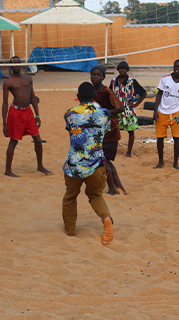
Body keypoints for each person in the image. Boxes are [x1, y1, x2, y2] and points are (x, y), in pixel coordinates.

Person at [62, 82, 114, 245]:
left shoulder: (69, 114)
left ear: (78, 97)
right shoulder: (104, 113)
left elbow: (70, 130)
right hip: (97, 164)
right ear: (95, 96)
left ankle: (69, 231)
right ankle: (106, 219)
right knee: (95, 195)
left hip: (74, 166)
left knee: (70, 197)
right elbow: (106, 130)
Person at [2, 56, 51, 177]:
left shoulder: (28, 78)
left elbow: (33, 97)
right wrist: (4, 123)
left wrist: (37, 114)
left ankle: (40, 166)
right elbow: (5, 103)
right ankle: (8, 170)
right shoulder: (8, 82)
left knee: (38, 139)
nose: (16, 64)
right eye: (14, 63)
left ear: (22, 64)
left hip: (28, 112)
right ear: (10, 66)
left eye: (18, 62)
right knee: (13, 141)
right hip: (15, 112)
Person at [90, 65, 127, 195]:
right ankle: (120, 187)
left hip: (109, 132)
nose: (95, 77)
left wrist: (103, 112)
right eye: (93, 74)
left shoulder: (107, 92)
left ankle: (113, 189)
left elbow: (121, 108)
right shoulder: (90, 92)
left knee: (103, 161)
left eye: (98, 75)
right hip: (97, 133)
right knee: (106, 161)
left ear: (103, 77)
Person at [153, 59, 179, 170]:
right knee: (160, 138)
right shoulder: (165, 78)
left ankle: (175, 163)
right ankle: (161, 161)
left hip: (176, 113)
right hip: (162, 112)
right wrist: (155, 111)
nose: (177, 68)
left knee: (177, 138)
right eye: (175, 66)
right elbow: (159, 94)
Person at [110, 61, 147, 157]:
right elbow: (110, 94)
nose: (122, 70)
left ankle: (129, 152)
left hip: (128, 110)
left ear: (127, 70)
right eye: (120, 68)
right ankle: (113, 150)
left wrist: (135, 104)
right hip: (116, 110)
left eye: (124, 69)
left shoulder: (132, 81)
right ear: (118, 70)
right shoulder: (113, 81)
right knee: (114, 131)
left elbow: (143, 93)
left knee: (130, 131)